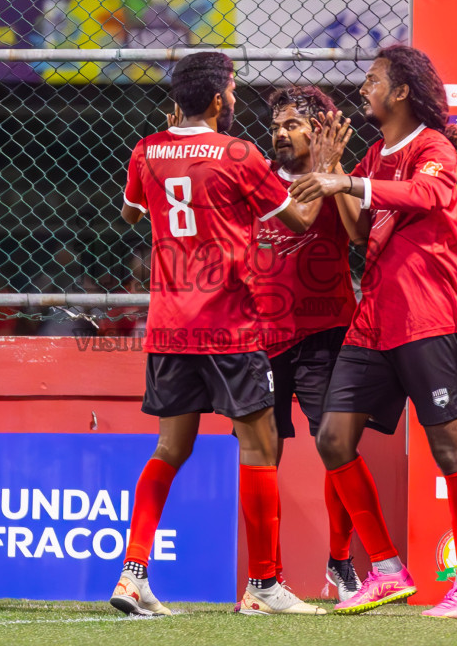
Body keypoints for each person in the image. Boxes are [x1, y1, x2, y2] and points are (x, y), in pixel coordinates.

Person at [111, 51, 332, 617]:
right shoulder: (239, 154)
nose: (234, 99)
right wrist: (326, 168)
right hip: (230, 324)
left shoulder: (146, 151)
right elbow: (300, 221)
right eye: (232, 90)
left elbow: (132, 214)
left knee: (169, 448)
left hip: (168, 325)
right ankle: (263, 586)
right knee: (260, 448)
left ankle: (132, 577)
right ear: (216, 99)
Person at [288, 44, 457, 619]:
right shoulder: (374, 154)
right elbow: (357, 233)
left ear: (401, 91)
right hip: (373, 318)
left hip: (426, 317)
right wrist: (333, 177)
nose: (363, 89)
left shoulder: (433, 146)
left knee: (450, 449)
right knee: (332, 439)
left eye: (372, 81)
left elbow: (429, 195)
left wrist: (346, 185)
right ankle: (386, 568)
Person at [249, 85, 360, 602]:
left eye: (292, 125)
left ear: (318, 129)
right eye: (276, 126)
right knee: (262, 455)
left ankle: (340, 564)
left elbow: (359, 238)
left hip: (326, 332)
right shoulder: (253, 179)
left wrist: (336, 180)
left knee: (337, 449)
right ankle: (265, 581)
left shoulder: (342, 178)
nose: (279, 134)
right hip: (262, 336)